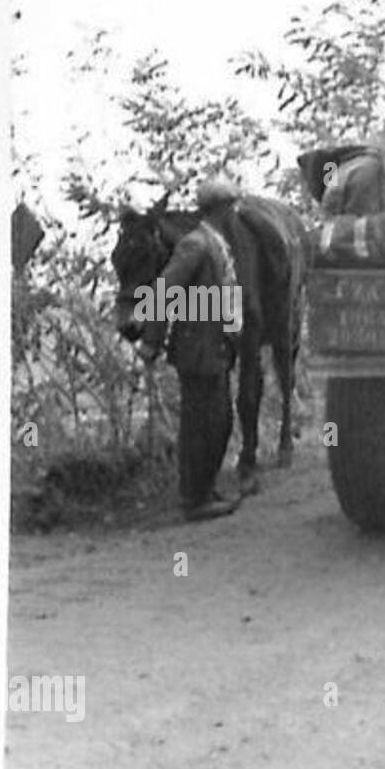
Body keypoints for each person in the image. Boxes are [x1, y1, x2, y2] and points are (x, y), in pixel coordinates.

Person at [138, 179, 243, 522]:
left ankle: (205, 488)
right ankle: (194, 500)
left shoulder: (215, 243)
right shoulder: (196, 245)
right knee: (202, 424)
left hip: (215, 348)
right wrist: (151, 342)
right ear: (222, 208)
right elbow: (163, 291)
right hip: (197, 350)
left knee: (219, 421)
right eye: (232, 206)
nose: (234, 213)